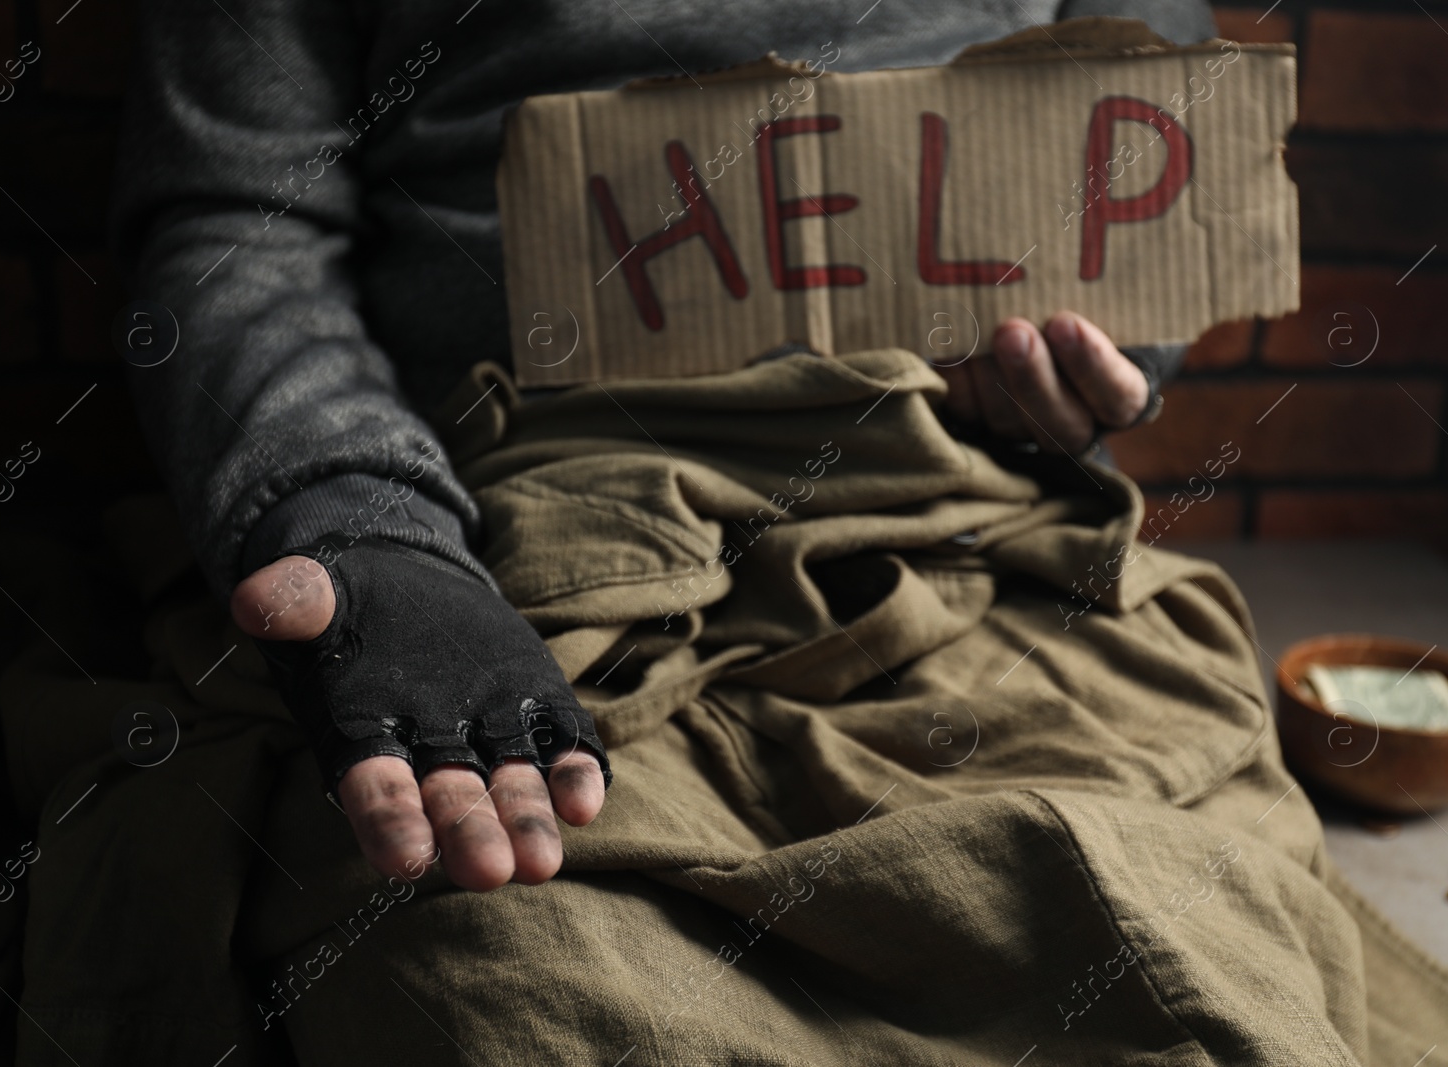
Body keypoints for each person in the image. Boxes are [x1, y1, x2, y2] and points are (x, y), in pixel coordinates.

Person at [113, 0, 1211, 896]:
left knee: (1132, 907)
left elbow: (1146, 146)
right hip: (497, 521)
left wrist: (1092, 355)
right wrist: (363, 523)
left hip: (957, 507)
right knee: (499, 965)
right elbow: (240, 221)